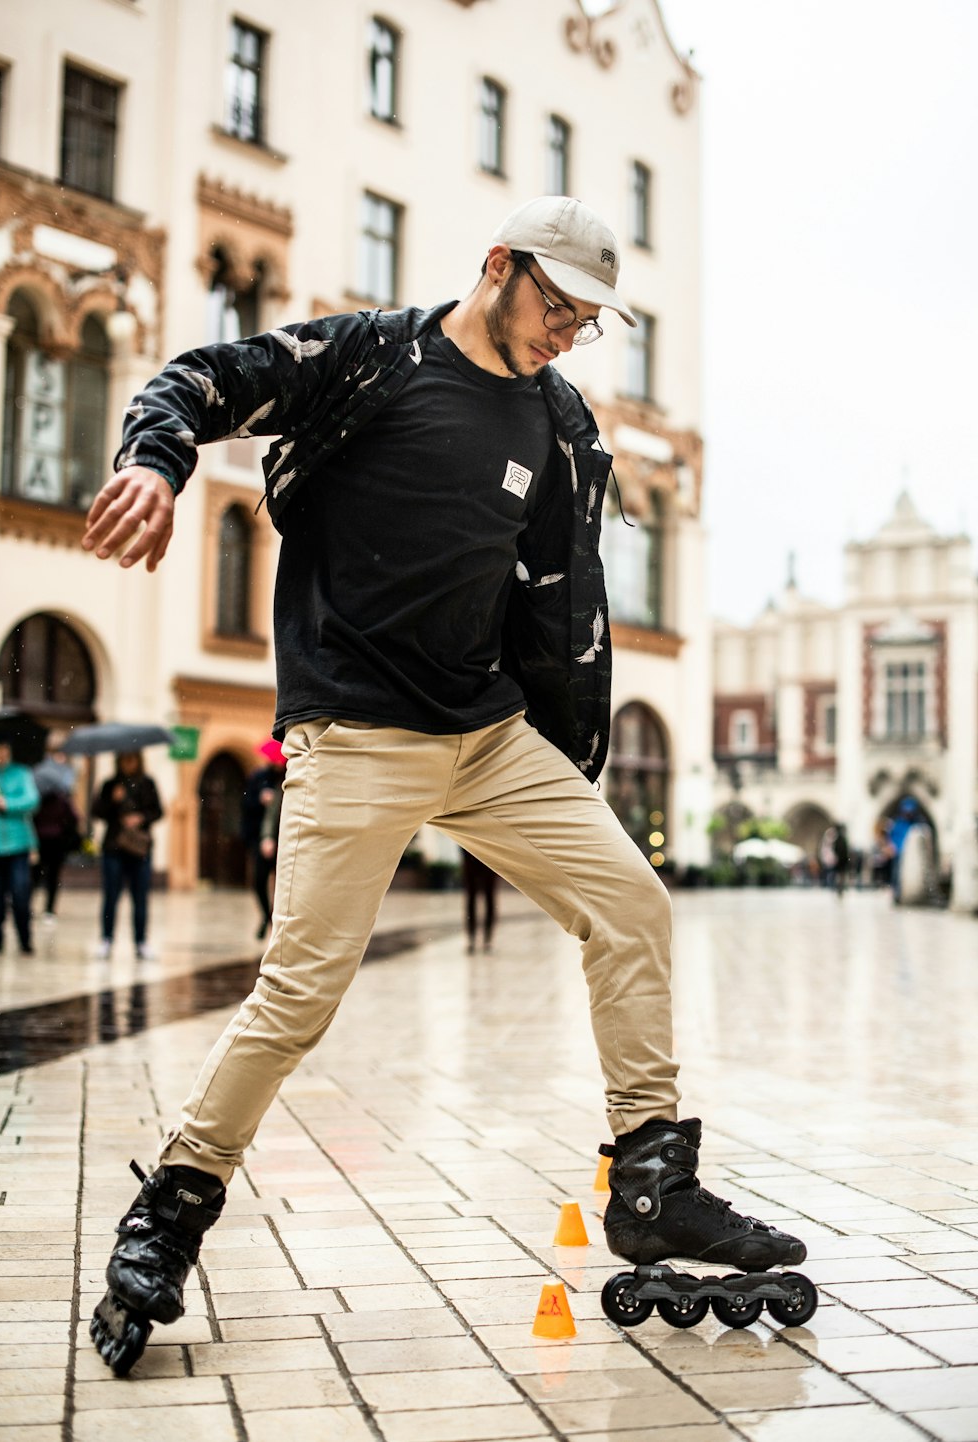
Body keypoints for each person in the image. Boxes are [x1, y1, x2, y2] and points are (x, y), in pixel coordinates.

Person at [82, 196, 808, 1355]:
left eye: (585, 321)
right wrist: (158, 467)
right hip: (358, 734)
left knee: (631, 902)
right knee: (299, 991)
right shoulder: (369, 359)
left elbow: (563, 600)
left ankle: (652, 1179)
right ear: (498, 266)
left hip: (488, 734)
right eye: (555, 305)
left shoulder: (560, 423)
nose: (565, 333)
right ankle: (169, 1209)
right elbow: (198, 379)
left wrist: (568, 748)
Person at [91, 752, 164, 960]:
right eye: (125, 759)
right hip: (114, 846)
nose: (128, 763)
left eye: (132, 759)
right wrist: (114, 801)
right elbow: (97, 811)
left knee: (140, 897)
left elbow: (158, 811)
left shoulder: (148, 783)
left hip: (140, 848)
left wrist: (140, 817)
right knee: (110, 895)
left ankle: (141, 941)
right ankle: (106, 939)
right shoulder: (110, 784)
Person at [0, 741, 39, 955]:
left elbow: (32, 800)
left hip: (18, 843)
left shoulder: (21, 773)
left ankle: (25, 937)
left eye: (4, 749)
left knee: (20, 891)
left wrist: (8, 804)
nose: (1, 754)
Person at [32, 737, 82, 922]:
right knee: (48, 874)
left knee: (40, 874)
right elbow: (74, 817)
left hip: (48, 838)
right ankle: (48, 910)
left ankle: (39, 908)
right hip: (50, 838)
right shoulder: (60, 790)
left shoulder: (40, 784)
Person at [241, 742, 285, 940]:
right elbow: (246, 803)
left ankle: (275, 918)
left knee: (282, 885)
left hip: (283, 838)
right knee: (259, 881)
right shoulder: (259, 777)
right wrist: (260, 799)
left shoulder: (289, 776)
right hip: (260, 838)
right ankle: (266, 916)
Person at [461, 847, 499, 952]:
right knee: (475, 899)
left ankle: (486, 938)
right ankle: (473, 937)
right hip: (475, 858)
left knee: (486, 899)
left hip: (486, 859)